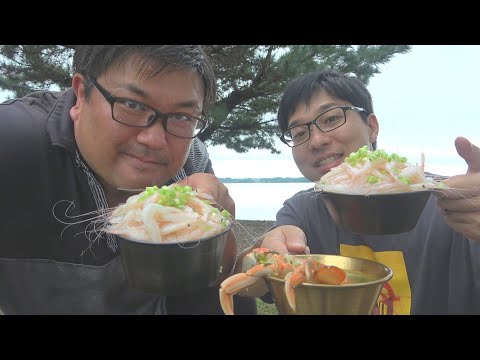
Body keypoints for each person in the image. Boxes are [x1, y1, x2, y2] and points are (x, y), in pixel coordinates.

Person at [0, 45, 256, 315]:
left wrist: (216, 240)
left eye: (182, 116)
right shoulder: (12, 143)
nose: (155, 140)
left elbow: (212, 288)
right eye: (132, 105)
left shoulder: (192, 159)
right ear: (80, 94)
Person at [237, 69, 480, 315]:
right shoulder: (300, 212)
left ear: (371, 127)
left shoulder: (455, 202)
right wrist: (264, 253)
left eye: (331, 119)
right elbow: (249, 285)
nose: (316, 141)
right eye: (299, 133)